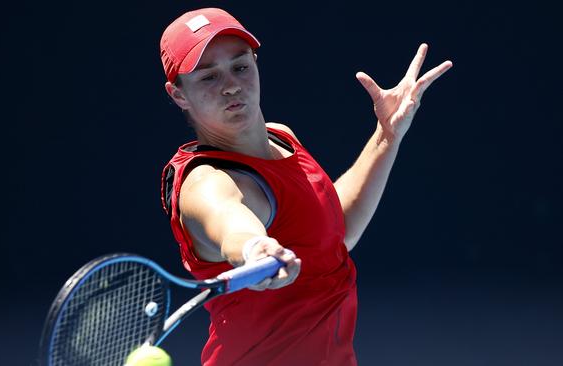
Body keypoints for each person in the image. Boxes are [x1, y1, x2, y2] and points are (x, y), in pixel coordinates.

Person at [158, 7, 452, 366]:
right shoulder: (205, 183)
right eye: (208, 77)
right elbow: (230, 223)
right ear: (178, 95)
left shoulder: (282, 137)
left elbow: (330, 235)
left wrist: (387, 135)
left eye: (240, 66)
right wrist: (255, 249)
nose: (232, 85)